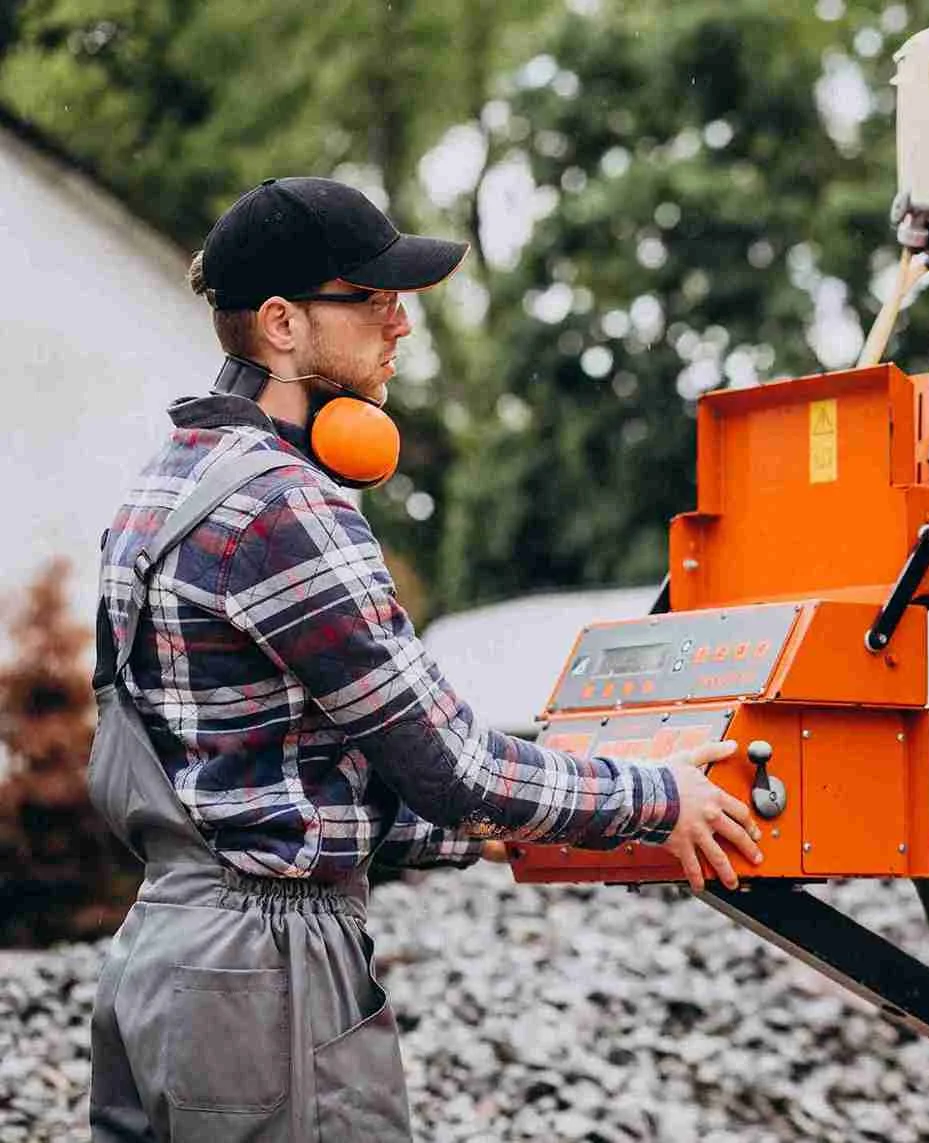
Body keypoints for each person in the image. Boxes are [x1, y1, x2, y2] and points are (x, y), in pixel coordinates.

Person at [86, 176, 764, 1141]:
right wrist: (655, 795)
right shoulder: (286, 507)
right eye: (372, 301)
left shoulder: (162, 486)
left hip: (159, 955)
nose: (399, 324)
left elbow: (256, 771)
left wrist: (485, 835)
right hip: (265, 973)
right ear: (281, 324)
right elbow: (456, 768)